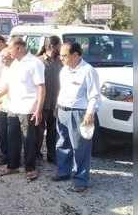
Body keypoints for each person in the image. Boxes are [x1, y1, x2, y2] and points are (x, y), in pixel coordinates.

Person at [0, 38, 45, 181]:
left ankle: (30, 168)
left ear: (19, 48)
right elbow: (9, 86)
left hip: (28, 108)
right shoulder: (15, 64)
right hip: (13, 107)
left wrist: (38, 109)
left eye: (10, 48)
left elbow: (41, 87)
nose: (8, 51)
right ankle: (13, 166)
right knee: (12, 138)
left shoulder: (35, 63)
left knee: (28, 139)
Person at [52, 42, 100, 193]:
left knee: (80, 148)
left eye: (64, 55)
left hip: (79, 112)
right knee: (62, 143)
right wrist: (57, 106)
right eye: (60, 55)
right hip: (62, 110)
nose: (61, 58)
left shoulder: (88, 71)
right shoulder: (64, 70)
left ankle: (81, 180)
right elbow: (63, 91)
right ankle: (64, 172)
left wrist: (89, 113)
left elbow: (94, 95)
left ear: (76, 55)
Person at [36, 36, 62, 163]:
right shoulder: (38, 61)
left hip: (55, 104)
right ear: (52, 46)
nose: (61, 47)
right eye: (59, 45)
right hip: (42, 104)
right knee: (38, 132)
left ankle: (52, 155)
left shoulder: (60, 61)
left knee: (53, 132)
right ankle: (36, 154)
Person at [0, 47, 14, 165]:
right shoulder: (4, 69)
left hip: (13, 105)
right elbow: (1, 87)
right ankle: (5, 154)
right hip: (3, 104)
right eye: (1, 57)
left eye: (4, 57)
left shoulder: (16, 69)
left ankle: (12, 157)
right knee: (2, 131)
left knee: (11, 134)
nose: (2, 59)